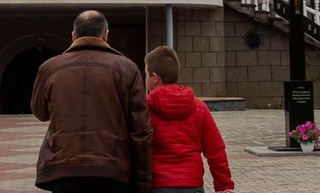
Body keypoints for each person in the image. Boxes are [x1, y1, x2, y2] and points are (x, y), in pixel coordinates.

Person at [31, 10, 153, 193]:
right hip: (112, 171)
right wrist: (143, 183)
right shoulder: (127, 68)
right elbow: (141, 131)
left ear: (73, 35)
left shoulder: (50, 68)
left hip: (64, 170)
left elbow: (40, 112)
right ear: (106, 35)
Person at [144, 45, 233, 193]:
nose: (145, 78)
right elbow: (216, 150)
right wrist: (224, 186)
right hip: (192, 185)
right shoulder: (199, 107)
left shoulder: (145, 109)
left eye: (146, 74)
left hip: (157, 184)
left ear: (155, 78)